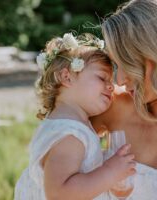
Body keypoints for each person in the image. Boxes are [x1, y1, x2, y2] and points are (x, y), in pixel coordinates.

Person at [91, 0, 157, 199]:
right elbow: (56, 162)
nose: (120, 80)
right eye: (116, 65)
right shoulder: (113, 108)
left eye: (128, 64)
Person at [14, 33, 136, 200]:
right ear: (67, 77)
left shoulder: (69, 126)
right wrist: (110, 172)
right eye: (102, 78)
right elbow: (59, 193)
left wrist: (110, 179)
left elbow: (84, 166)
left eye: (111, 80)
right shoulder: (70, 134)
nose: (111, 86)